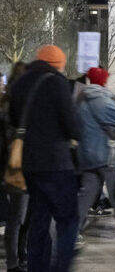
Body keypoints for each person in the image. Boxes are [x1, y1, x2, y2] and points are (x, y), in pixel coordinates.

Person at [8, 45, 80, 272]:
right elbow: (72, 126)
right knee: (68, 220)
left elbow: (13, 118)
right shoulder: (57, 83)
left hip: (29, 163)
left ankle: (36, 267)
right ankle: (60, 267)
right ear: (58, 63)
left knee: (39, 220)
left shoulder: (21, 83)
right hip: (56, 163)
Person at [75, 67, 115, 243]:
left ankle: (74, 230)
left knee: (86, 196)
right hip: (106, 153)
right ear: (103, 80)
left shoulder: (80, 99)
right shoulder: (100, 98)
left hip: (87, 153)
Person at [1, 61, 28, 272]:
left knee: (17, 216)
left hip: (10, 166)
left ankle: (17, 256)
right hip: (16, 167)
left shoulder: (6, 102)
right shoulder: (17, 105)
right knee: (17, 216)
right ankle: (14, 260)